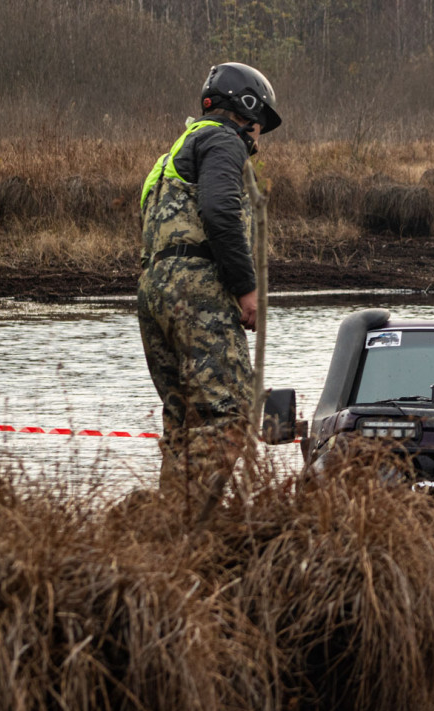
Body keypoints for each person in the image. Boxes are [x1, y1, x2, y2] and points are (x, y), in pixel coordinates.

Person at [137, 62, 282, 497]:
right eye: (259, 124)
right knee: (230, 414)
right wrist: (246, 287)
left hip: (153, 291)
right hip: (197, 292)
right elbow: (219, 211)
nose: (258, 136)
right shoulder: (222, 138)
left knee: (183, 420)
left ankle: (169, 527)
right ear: (245, 110)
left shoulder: (170, 157)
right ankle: (192, 525)